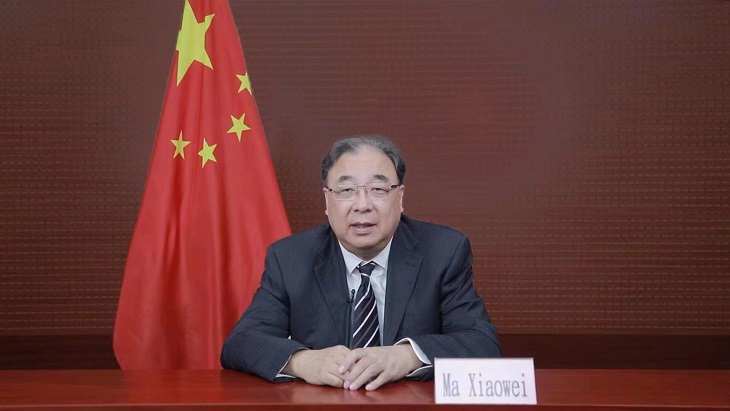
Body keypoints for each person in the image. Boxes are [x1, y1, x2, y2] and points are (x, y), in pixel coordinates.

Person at [221, 135, 501, 390]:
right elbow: (241, 343)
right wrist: (303, 361)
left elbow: (481, 342)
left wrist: (407, 356)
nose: (362, 205)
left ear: (400, 197)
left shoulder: (443, 251)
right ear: (327, 200)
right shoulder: (291, 258)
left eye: (378, 189)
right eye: (346, 191)